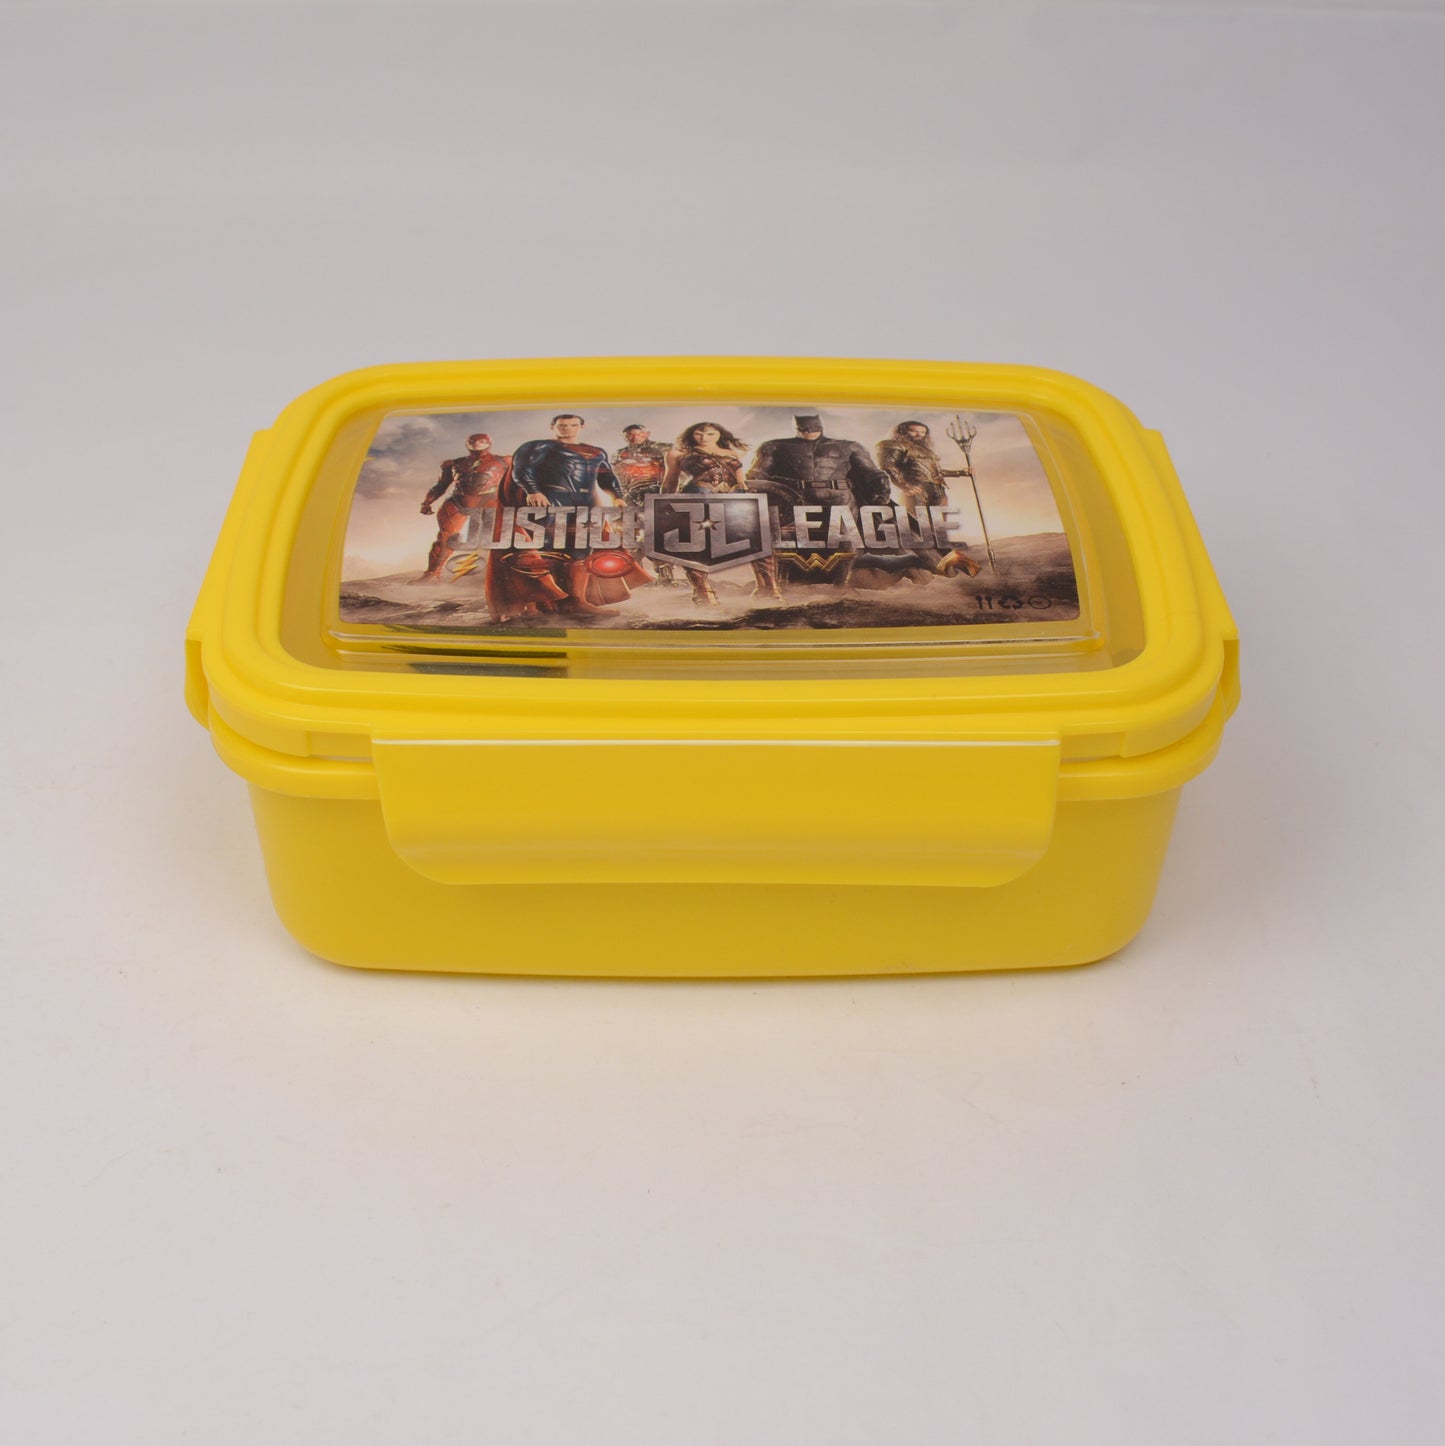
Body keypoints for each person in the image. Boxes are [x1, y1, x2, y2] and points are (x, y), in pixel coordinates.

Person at [487, 414, 648, 619]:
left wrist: (617, 497)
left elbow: (607, 477)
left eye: (573, 425)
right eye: (562, 425)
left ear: (581, 427)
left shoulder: (596, 451)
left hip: (586, 501)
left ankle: (576, 602)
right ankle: (539, 602)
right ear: (553, 427)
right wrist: (533, 491)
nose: (567, 429)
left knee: (581, 550)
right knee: (544, 548)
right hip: (551, 500)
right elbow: (522, 469)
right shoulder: (538, 446)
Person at [746, 412, 891, 587]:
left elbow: (874, 474)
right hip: (794, 500)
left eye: (813, 427)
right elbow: (757, 475)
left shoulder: (850, 447)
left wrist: (881, 494)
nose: (810, 431)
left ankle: (841, 584)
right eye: (805, 428)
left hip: (838, 499)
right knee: (783, 540)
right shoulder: (774, 446)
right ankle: (779, 584)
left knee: (847, 540)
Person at [659, 422, 780, 604]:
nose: (704, 438)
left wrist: (747, 496)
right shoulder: (677, 453)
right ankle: (703, 592)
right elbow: (671, 480)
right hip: (698, 495)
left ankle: (769, 589)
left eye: (710, 434)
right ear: (691, 435)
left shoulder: (732, 453)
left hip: (734, 497)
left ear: (719, 435)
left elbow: (741, 480)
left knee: (757, 539)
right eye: (699, 434)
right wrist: (663, 504)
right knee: (693, 542)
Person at [876, 420, 981, 577]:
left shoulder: (925, 451)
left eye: (923, 432)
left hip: (937, 491)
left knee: (938, 531)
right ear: (903, 431)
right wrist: (904, 485)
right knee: (920, 531)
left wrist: (960, 473)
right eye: (914, 431)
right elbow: (889, 466)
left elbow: (935, 472)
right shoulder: (894, 445)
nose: (919, 435)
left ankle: (946, 566)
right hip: (917, 490)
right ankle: (925, 567)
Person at [416, 432, 511, 581]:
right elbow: (441, 485)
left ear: (489, 443)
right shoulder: (453, 464)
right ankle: (432, 574)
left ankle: (505, 577)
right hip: (458, 500)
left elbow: (519, 480)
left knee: (499, 537)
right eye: (473, 441)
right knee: (446, 537)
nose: (477, 444)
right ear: (467, 444)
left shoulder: (504, 461)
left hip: (488, 500)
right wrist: (427, 502)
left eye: (481, 441)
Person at [612, 423, 677, 585]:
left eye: (639, 434)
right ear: (625, 436)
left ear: (647, 434)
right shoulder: (619, 453)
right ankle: (636, 577)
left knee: (656, 535)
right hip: (628, 497)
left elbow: (677, 467)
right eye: (630, 434)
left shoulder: (663, 448)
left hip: (654, 495)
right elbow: (616, 476)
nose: (635, 437)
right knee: (628, 536)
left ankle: (666, 577)